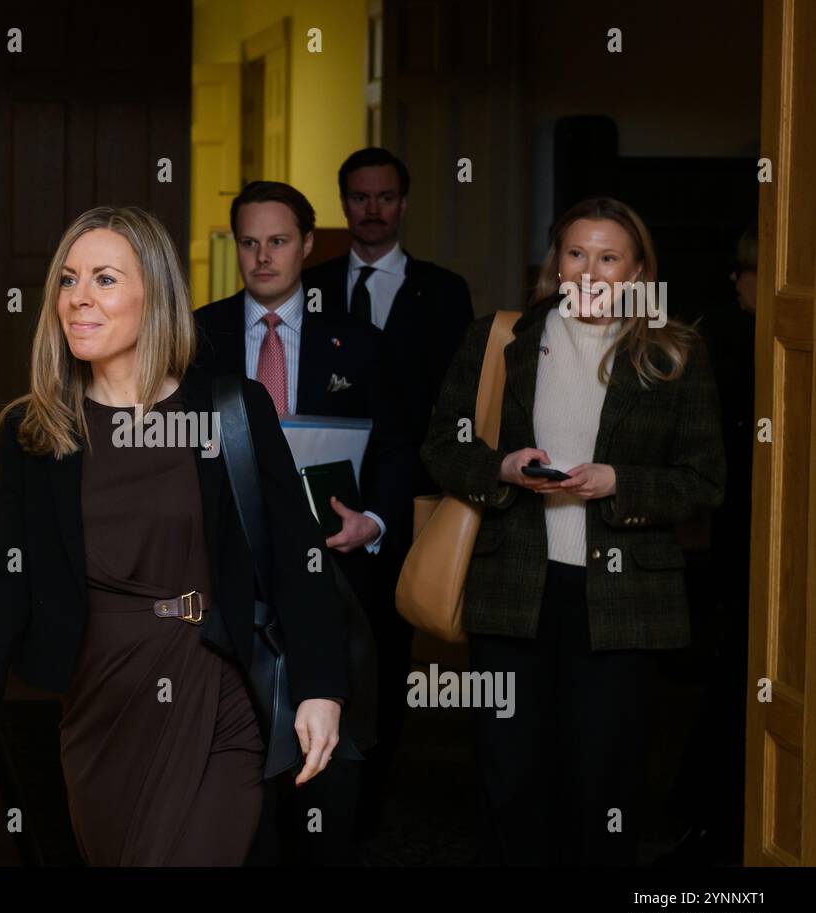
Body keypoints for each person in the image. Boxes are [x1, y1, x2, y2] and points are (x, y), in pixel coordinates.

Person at [0, 205, 352, 866]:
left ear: (151, 294)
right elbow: (2, 567)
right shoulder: (35, 431)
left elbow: (298, 559)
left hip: (216, 687)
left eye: (103, 279)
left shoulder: (233, 410)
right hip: (99, 700)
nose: (78, 299)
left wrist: (321, 687)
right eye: (68, 280)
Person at [421, 197, 726, 865]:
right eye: (576, 253)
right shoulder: (500, 339)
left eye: (609, 257)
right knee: (510, 773)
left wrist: (619, 483)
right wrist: (500, 466)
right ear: (555, 263)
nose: (589, 270)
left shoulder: (675, 354)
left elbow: (705, 481)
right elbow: (442, 446)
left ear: (639, 269)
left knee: (602, 780)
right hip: (512, 590)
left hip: (622, 603)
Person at [194, 180, 408, 864]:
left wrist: (372, 521)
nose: (263, 257)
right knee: (237, 727)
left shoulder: (360, 341)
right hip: (229, 566)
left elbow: (399, 446)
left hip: (336, 562)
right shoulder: (198, 335)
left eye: (279, 241)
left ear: (309, 245)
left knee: (334, 725)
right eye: (249, 243)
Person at [301, 147, 474, 841]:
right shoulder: (308, 284)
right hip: (322, 491)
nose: (372, 209)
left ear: (404, 204)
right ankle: (315, 788)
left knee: (387, 645)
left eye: (385, 197)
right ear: (344, 204)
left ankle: (371, 799)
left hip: (406, 497)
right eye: (359, 197)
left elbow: (452, 399)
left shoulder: (444, 290)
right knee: (316, 639)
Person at [657, 224, 757, 865]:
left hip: (756, 543)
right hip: (740, 540)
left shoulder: (738, 339)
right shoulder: (720, 335)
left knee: (740, 683)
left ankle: (716, 825)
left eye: (746, 266)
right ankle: (712, 823)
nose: (735, 277)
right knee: (736, 679)